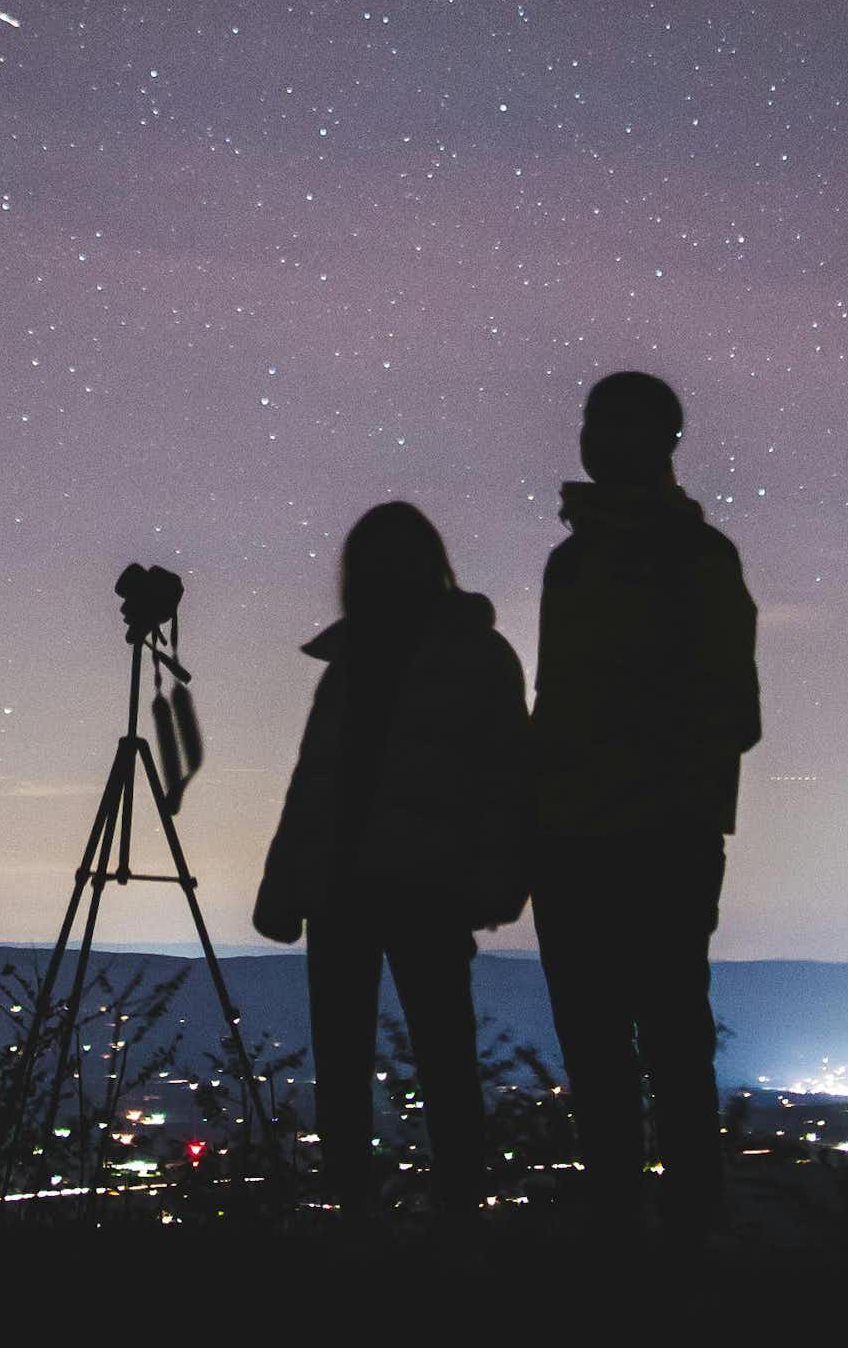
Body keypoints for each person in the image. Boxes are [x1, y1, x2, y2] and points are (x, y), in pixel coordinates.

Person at [530, 371, 760, 1243]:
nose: (595, 439)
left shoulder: (694, 559)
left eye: (614, 425)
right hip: (587, 838)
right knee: (614, 1048)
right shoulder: (576, 562)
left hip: (654, 837)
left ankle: (675, 1239)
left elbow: (732, 711)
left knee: (660, 1044)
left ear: (663, 440)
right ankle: (632, 1237)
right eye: (593, 422)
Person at [253, 501, 530, 1211]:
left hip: (419, 887)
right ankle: (370, 1219)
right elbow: (314, 784)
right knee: (366, 1063)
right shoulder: (357, 663)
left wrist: (496, 880)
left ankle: (444, 1221)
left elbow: (505, 777)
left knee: (436, 1060)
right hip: (357, 887)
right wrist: (285, 886)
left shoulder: (467, 656)